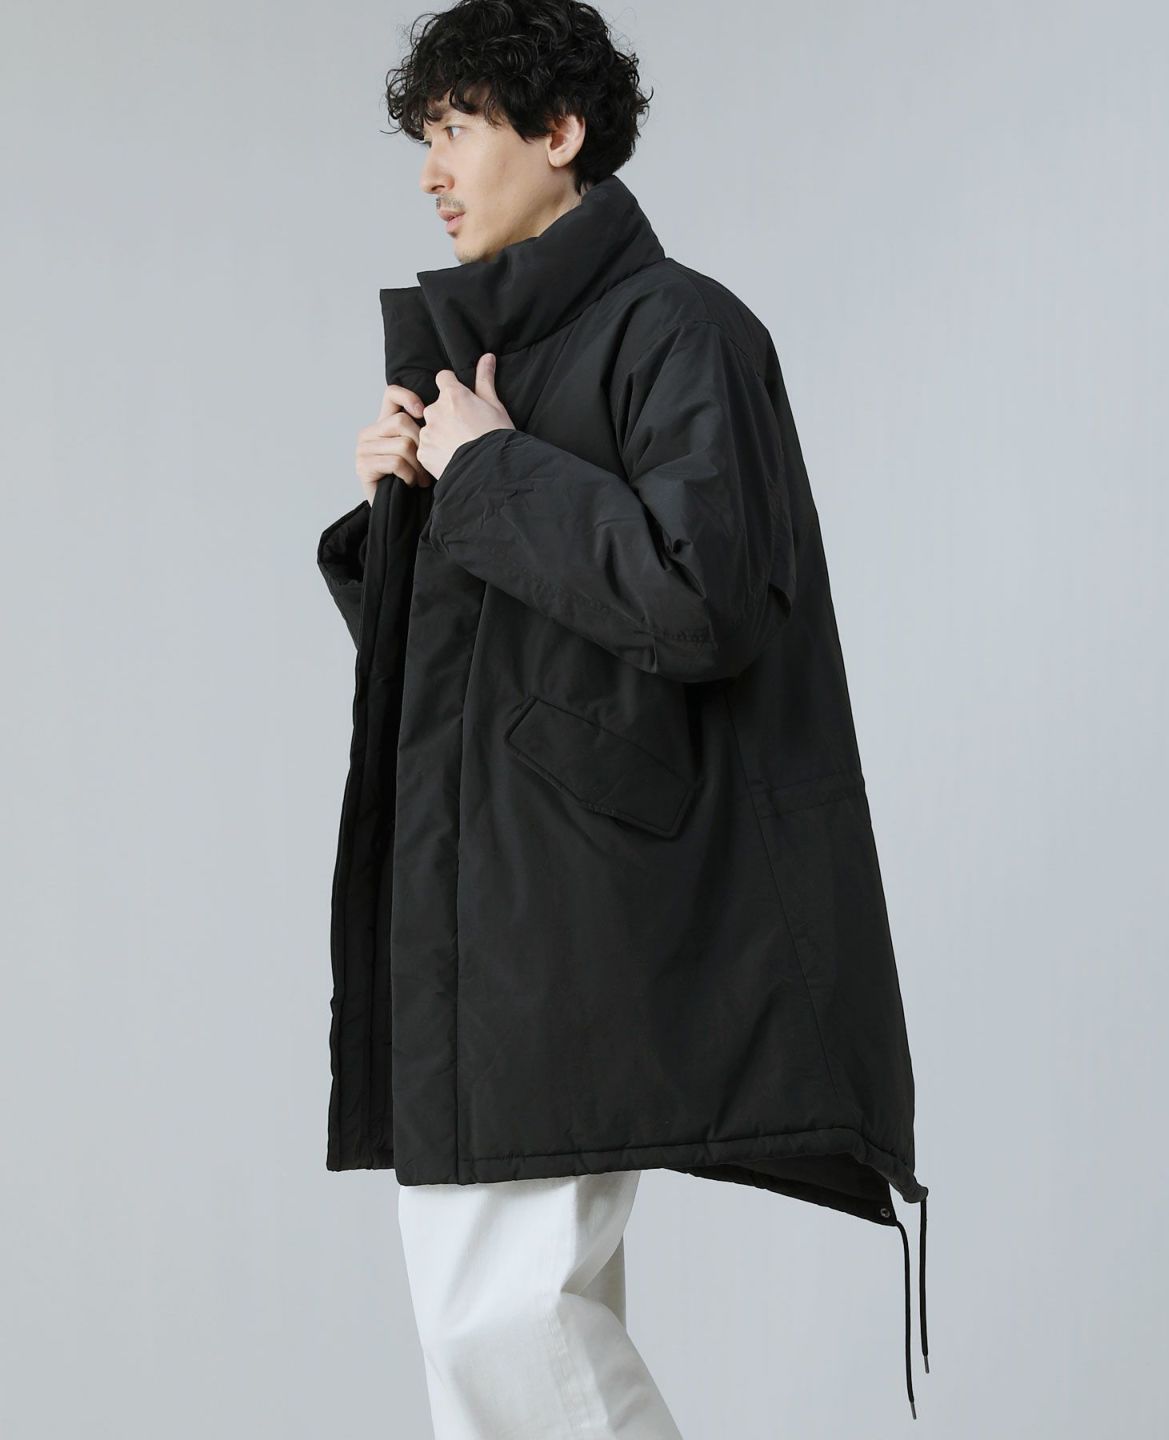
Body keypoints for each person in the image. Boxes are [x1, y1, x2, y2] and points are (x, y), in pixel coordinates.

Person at [316, 3, 929, 1434]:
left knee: (508, 1326)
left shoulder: (682, 331)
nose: (432, 170)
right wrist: (402, 514)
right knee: (482, 1340)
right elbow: (493, 667)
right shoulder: (490, 363)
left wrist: (489, 475)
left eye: (459, 127)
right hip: (482, 898)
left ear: (561, 132)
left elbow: (700, 599)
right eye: (424, 137)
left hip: (573, 905)